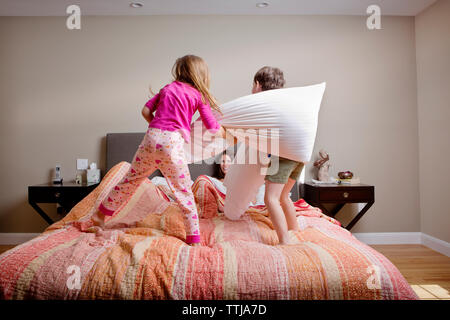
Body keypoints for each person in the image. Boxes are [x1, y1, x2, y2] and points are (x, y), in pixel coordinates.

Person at [98, 55, 225, 246]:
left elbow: (145, 111)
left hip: (150, 139)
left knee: (130, 180)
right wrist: (226, 131)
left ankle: (100, 216)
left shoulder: (167, 88)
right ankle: (194, 239)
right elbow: (213, 128)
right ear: (201, 75)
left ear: (180, 71)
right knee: (183, 192)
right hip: (172, 145)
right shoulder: (198, 96)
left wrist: (157, 128)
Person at [252, 66, 303, 245]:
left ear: (258, 85)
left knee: (270, 198)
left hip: (283, 155)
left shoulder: (264, 103)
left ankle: (285, 241)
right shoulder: (286, 103)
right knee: (283, 196)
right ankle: (295, 230)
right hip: (299, 154)